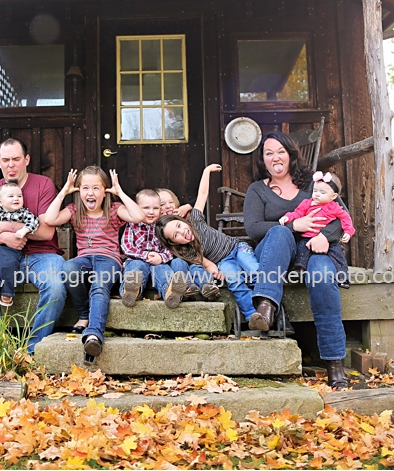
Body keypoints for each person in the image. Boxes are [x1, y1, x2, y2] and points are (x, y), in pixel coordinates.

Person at [242, 130, 350, 389]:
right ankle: (266, 308)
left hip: (312, 250)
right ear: (262, 159)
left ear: (290, 155)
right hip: (274, 253)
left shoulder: (313, 185)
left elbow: (342, 215)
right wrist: (294, 226)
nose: (275, 157)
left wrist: (324, 236)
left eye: (280, 151)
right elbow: (253, 229)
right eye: (269, 153)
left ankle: (334, 363)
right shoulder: (257, 190)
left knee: (323, 276)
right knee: (280, 232)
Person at [0, 138, 67, 354]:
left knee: (56, 286)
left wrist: (5, 226)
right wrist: (4, 238)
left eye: (16, 159)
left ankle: (33, 350)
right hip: (1, 255)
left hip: (43, 256)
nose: (11, 165)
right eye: (5, 160)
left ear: (26, 159)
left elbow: (46, 232)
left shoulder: (43, 185)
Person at [42, 166, 144, 363]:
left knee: (99, 285)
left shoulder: (113, 209)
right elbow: (49, 219)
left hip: (109, 260)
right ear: (78, 191)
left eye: (96, 188)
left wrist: (120, 192)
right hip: (85, 260)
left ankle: (94, 334)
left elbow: (139, 216)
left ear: (105, 191)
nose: (90, 193)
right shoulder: (74, 210)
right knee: (69, 268)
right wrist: (64, 191)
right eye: (85, 188)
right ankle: (84, 315)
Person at [156, 164, 270, 326]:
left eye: (180, 226)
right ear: (173, 242)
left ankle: (267, 306)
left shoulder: (195, 220)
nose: (182, 232)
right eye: (176, 235)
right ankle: (252, 316)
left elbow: (202, 194)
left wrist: (206, 171)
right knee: (234, 282)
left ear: (182, 220)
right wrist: (213, 269)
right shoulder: (185, 251)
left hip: (237, 248)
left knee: (255, 272)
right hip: (223, 262)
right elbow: (204, 262)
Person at [119, 188, 192, 309]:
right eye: (146, 208)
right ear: (137, 208)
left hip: (158, 262)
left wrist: (161, 257)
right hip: (136, 259)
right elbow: (126, 247)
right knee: (136, 268)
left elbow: (170, 247)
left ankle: (170, 293)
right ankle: (130, 291)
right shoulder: (132, 224)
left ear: (160, 210)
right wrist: (145, 255)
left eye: (156, 208)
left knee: (162, 270)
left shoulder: (162, 226)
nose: (151, 212)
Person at [280, 171, 354, 277]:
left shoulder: (334, 207)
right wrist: (288, 217)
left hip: (328, 240)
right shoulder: (307, 203)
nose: (317, 194)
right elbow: (297, 213)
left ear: (333, 196)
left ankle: (343, 277)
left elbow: (345, 218)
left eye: (322, 193)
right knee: (301, 251)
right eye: (315, 191)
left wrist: (348, 231)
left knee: (338, 254)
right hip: (307, 237)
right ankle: (299, 270)